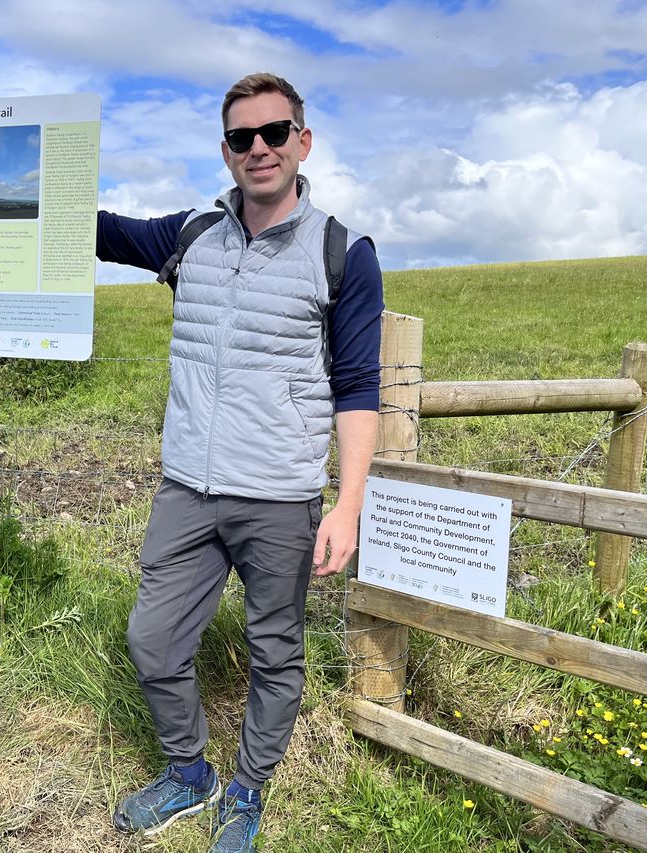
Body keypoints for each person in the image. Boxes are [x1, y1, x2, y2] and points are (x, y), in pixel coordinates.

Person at [94, 72, 384, 852]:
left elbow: (359, 387)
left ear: (303, 141)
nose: (259, 149)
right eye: (242, 137)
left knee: (274, 650)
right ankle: (190, 774)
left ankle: (248, 787)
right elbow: (102, 231)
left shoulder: (341, 253)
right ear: (225, 151)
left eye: (275, 133)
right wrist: (9, 191)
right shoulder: (192, 236)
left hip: (280, 498)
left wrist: (347, 503)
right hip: (188, 486)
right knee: (152, 640)